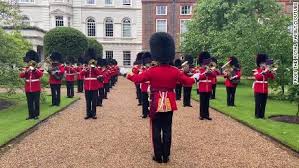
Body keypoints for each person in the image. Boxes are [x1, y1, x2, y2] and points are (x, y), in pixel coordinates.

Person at [127, 32, 195, 163]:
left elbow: (138, 79)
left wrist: (129, 74)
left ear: (156, 54)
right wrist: (196, 77)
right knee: (167, 129)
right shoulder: (175, 70)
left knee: (156, 129)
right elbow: (188, 82)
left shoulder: (152, 70)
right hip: (169, 101)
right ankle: (166, 155)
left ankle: (158, 156)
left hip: (156, 101)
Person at [19, 50, 43, 120]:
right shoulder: (26, 68)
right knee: (29, 102)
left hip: (36, 88)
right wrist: (27, 71)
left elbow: (40, 75)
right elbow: (21, 75)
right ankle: (31, 115)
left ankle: (36, 115)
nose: (29, 63)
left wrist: (34, 69)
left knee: (36, 102)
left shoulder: (37, 68)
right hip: (28, 88)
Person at [81, 48, 102, 119]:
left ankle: (93, 114)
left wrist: (94, 67)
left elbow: (100, 75)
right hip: (87, 87)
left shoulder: (95, 68)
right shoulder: (86, 68)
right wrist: (86, 68)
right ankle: (88, 114)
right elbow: (81, 74)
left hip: (94, 87)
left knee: (94, 101)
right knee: (88, 101)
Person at [193, 52, 215, 120]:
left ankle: (207, 115)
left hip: (208, 88)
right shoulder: (199, 69)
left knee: (207, 102)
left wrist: (210, 72)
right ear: (202, 63)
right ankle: (201, 115)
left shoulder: (209, 69)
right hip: (202, 88)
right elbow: (198, 77)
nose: (206, 64)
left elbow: (214, 75)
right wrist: (205, 73)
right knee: (202, 102)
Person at [253, 53, 275, 119]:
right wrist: (265, 71)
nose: (264, 64)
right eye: (263, 63)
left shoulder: (267, 71)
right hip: (258, 89)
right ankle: (257, 115)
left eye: (265, 63)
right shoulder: (256, 70)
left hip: (265, 89)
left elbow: (272, 77)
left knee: (263, 103)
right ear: (260, 64)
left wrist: (271, 72)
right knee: (258, 103)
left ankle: (262, 115)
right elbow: (258, 77)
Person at [140, 52, 152, 118]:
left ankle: (151, 113)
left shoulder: (152, 69)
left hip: (151, 87)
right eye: (147, 63)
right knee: (144, 101)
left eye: (149, 63)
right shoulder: (143, 69)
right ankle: (144, 113)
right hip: (144, 87)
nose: (148, 64)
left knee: (151, 101)